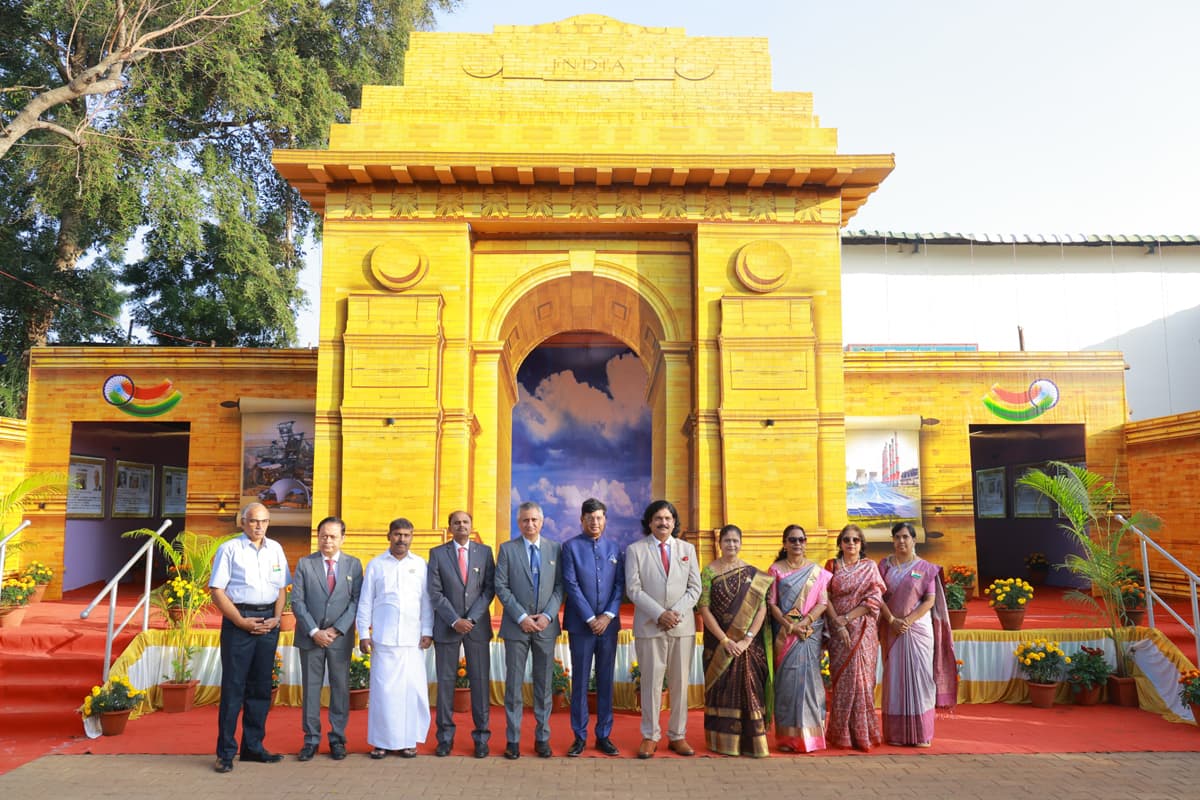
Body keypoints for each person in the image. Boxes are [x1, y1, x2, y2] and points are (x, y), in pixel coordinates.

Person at [209, 502, 291, 773]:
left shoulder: (276, 549)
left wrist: (277, 618)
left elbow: (281, 588)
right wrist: (240, 621)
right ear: (243, 522)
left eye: (264, 521)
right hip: (239, 622)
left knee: (260, 688)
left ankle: (253, 747)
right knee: (234, 689)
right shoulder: (229, 549)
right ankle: (225, 753)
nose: (259, 526)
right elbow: (217, 590)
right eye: (254, 521)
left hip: (269, 622)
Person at [625, 499, 702, 759]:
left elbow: (695, 588)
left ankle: (677, 735)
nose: (663, 522)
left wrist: (675, 614)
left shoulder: (687, 549)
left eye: (668, 518)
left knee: (680, 683)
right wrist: (660, 614)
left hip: (681, 627)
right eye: (658, 518)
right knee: (651, 683)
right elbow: (633, 589)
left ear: (674, 522)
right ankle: (650, 735)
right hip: (650, 625)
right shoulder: (636, 550)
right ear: (649, 522)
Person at [356, 518, 434, 759]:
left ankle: (408, 742)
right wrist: (364, 634)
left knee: (411, 692)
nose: (402, 539)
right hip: (384, 639)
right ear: (388, 536)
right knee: (383, 693)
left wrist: (427, 631)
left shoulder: (421, 565)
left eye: (407, 535)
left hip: (412, 640)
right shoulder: (376, 565)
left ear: (412, 537)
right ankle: (381, 743)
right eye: (397, 534)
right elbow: (365, 600)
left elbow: (427, 602)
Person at [877, 521, 957, 747]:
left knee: (921, 679)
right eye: (897, 537)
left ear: (914, 540)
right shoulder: (884, 567)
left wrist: (907, 621)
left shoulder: (925, 568)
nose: (901, 541)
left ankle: (922, 734)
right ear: (893, 540)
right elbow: (877, 596)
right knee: (894, 680)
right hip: (892, 631)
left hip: (918, 631)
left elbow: (930, 600)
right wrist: (892, 621)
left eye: (905, 537)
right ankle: (895, 735)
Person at [290, 516, 364, 761]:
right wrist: (314, 631)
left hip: (339, 639)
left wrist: (337, 630)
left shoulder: (354, 565)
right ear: (318, 537)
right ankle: (311, 740)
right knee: (311, 690)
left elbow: (356, 601)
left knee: (340, 689)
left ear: (342, 538)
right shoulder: (304, 564)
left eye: (333, 536)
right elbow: (297, 602)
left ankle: (338, 738)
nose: (328, 541)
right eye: (323, 536)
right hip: (310, 638)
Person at [494, 501, 563, 759]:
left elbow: (560, 587)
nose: (530, 524)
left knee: (543, 686)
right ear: (518, 522)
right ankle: (513, 740)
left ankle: (542, 738)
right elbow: (500, 586)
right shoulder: (507, 550)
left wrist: (547, 616)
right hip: (516, 627)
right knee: (513, 686)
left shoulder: (555, 549)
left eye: (534, 520)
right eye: (525, 520)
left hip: (546, 628)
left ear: (542, 522)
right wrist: (521, 616)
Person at [696, 524, 771, 757]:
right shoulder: (708, 572)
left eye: (735, 541)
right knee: (721, 690)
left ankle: (753, 744)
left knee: (750, 689)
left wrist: (747, 640)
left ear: (741, 543)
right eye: (727, 541)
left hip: (748, 646)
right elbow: (704, 609)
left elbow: (761, 609)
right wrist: (724, 640)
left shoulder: (753, 573)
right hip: (719, 644)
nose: (731, 545)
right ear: (720, 543)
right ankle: (722, 742)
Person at [427, 510, 495, 758]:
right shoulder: (437, 554)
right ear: (450, 527)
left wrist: (471, 618)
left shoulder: (485, 552)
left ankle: (481, 738)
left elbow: (489, 589)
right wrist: (455, 620)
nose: (461, 525)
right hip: (447, 627)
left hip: (477, 628)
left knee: (479, 683)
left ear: (472, 525)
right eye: (456, 522)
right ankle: (445, 738)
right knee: (445, 684)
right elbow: (434, 592)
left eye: (466, 522)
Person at [560, 498, 624, 757]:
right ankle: (579, 736)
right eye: (590, 518)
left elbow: (620, 585)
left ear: (605, 520)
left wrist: (607, 616)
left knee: (606, 681)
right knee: (580, 682)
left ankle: (604, 735)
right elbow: (570, 584)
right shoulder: (570, 547)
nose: (595, 522)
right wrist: (590, 618)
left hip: (608, 626)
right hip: (581, 626)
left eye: (599, 518)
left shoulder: (614, 548)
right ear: (582, 520)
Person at [767, 524, 831, 753]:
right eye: (792, 540)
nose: (797, 544)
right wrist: (788, 625)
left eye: (801, 540)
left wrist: (802, 624)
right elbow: (771, 603)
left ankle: (811, 738)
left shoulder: (816, 571)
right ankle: (787, 738)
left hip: (807, 634)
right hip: (785, 636)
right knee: (787, 685)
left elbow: (823, 602)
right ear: (784, 543)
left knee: (809, 685)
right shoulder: (775, 570)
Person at [823, 523, 886, 751]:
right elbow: (824, 596)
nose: (851, 544)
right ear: (840, 543)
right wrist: (838, 623)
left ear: (861, 544)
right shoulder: (832, 566)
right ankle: (841, 735)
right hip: (838, 630)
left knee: (862, 681)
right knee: (843, 681)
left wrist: (847, 618)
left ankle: (862, 734)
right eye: (846, 539)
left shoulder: (869, 567)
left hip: (862, 629)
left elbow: (874, 600)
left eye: (855, 540)